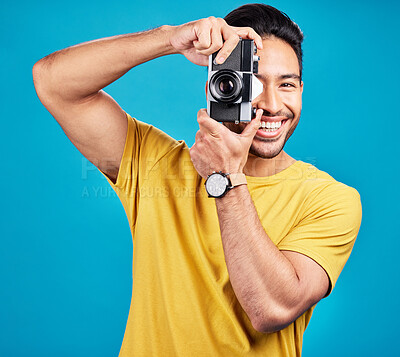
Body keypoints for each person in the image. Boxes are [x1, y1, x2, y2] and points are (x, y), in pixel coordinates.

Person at [32, 3, 362, 356]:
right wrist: (167, 39)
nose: (271, 104)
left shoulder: (330, 199)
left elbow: (272, 309)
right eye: (253, 82)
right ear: (217, 85)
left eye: (287, 85)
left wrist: (226, 178)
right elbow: (53, 82)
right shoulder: (156, 164)